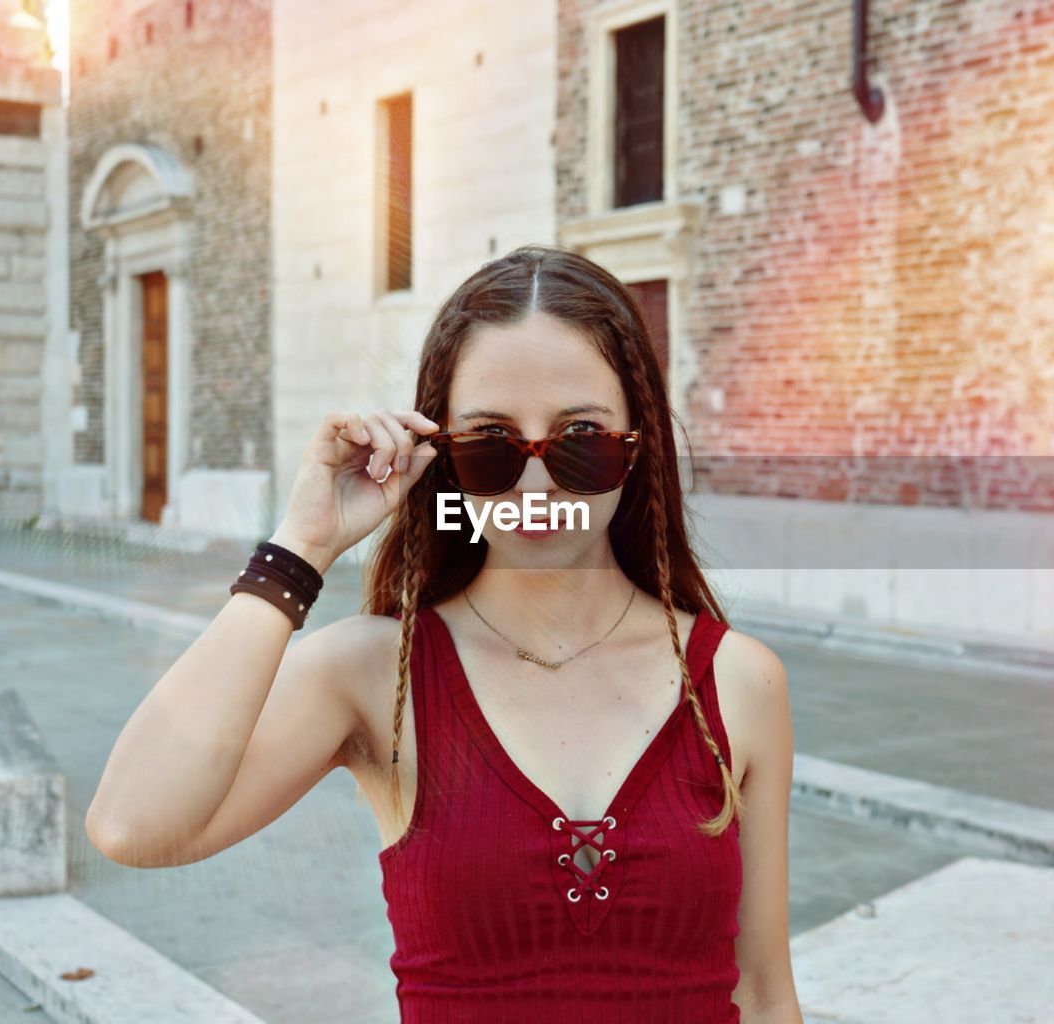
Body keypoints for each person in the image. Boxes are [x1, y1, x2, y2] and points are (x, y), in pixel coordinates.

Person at [86, 244, 801, 1021]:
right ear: (444, 455)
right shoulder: (373, 673)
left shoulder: (737, 681)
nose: (535, 484)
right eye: (491, 443)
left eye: (580, 441)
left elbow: (762, 993)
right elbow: (133, 824)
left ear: (638, 446)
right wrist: (302, 545)